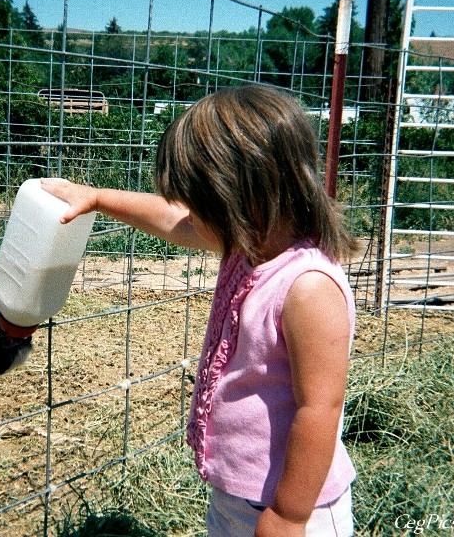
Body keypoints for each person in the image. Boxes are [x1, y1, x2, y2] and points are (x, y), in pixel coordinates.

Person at [40, 84, 357, 537]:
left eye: (197, 202)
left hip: (294, 509)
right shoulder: (244, 246)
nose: (187, 214)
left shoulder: (307, 288)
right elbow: (169, 219)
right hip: (239, 497)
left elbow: (320, 409)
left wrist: (290, 514)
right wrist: (96, 197)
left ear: (241, 196)